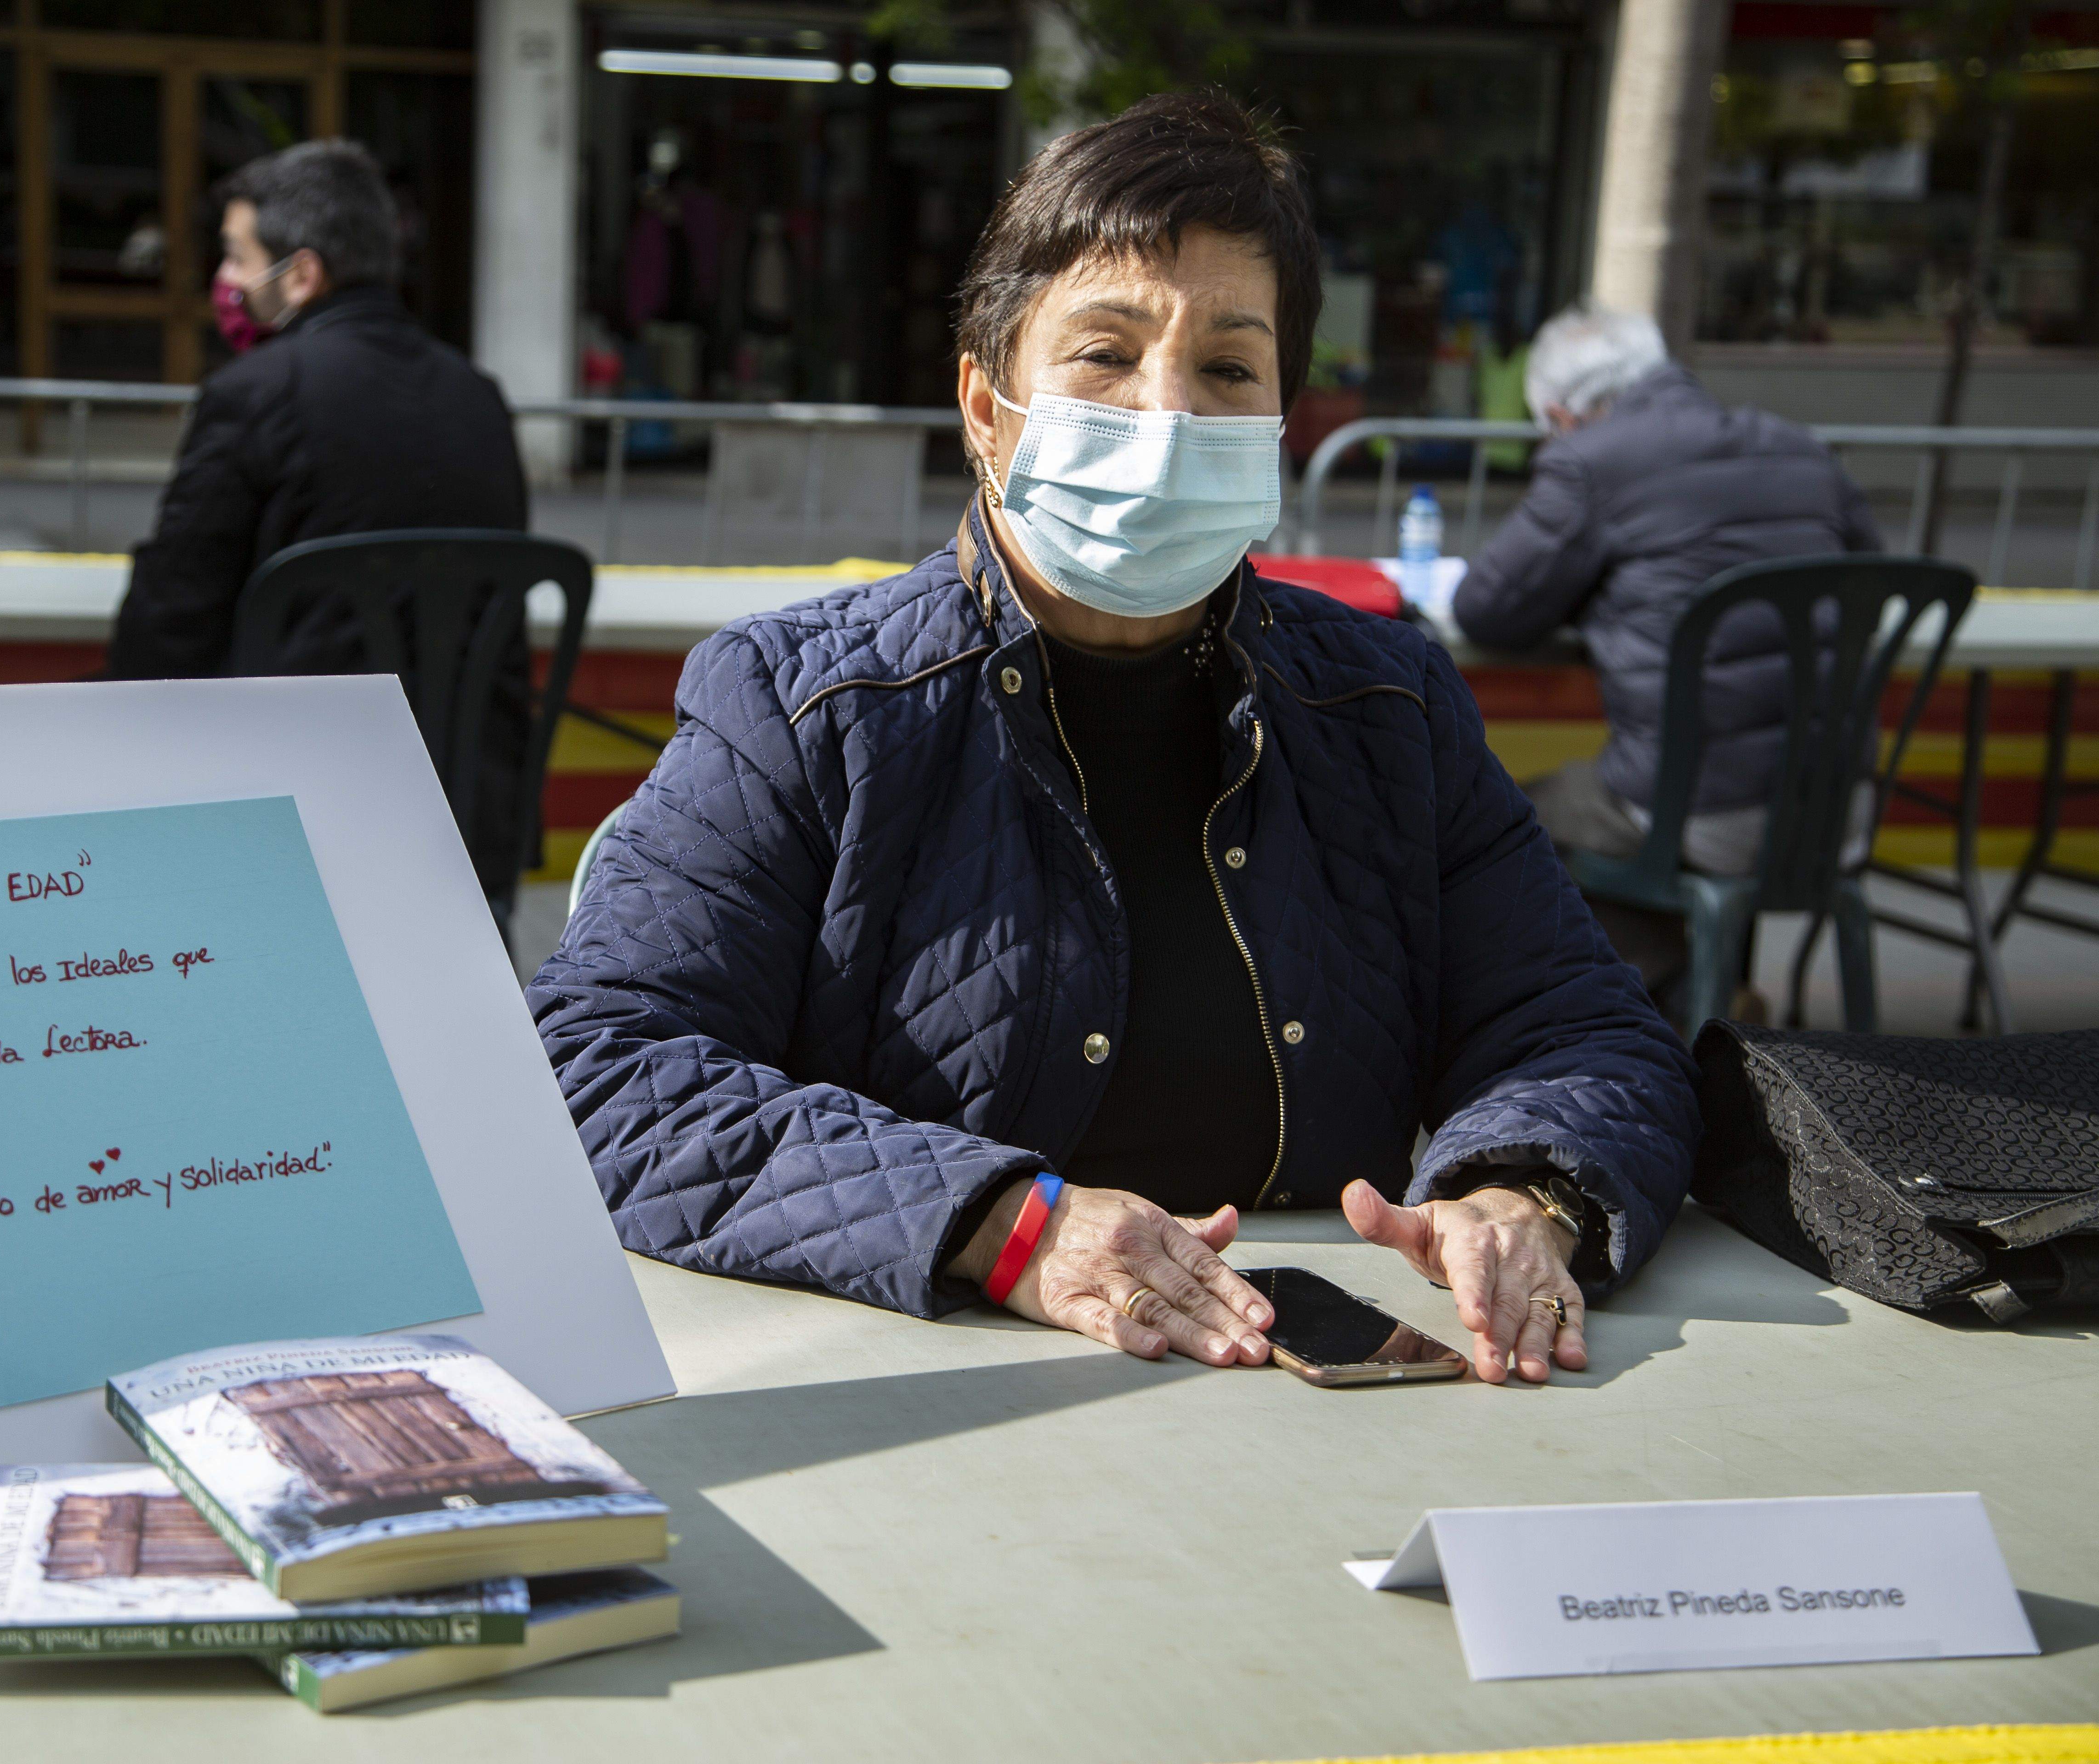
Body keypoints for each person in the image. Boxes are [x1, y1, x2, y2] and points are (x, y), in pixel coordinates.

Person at [532, 91, 1700, 1388]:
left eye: (1228, 368)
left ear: (1278, 425)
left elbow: (1586, 1032)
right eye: (1104, 353)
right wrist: (1001, 1227)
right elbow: (598, 1072)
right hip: (940, 1410)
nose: (1166, 416)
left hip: (1340, 1418)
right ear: (986, 406)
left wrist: (1523, 1194)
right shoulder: (801, 708)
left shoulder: (1388, 709)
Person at [108, 140, 532, 892]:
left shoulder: (256, 392)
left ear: (301, 274)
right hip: (466, 821)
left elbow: (170, 616)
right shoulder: (480, 397)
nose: (228, 282)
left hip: (290, 826)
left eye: (238, 259)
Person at [1455, 306, 1883, 913]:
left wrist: (1590, 594)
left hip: (1702, 816)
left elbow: (1485, 610)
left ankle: (1648, 990)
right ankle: (1689, 988)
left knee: (1492, 814)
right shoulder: (1801, 447)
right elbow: (1867, 577)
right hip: (1840, 809)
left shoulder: (1590, 462)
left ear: (1559, 417)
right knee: (1615, 803)